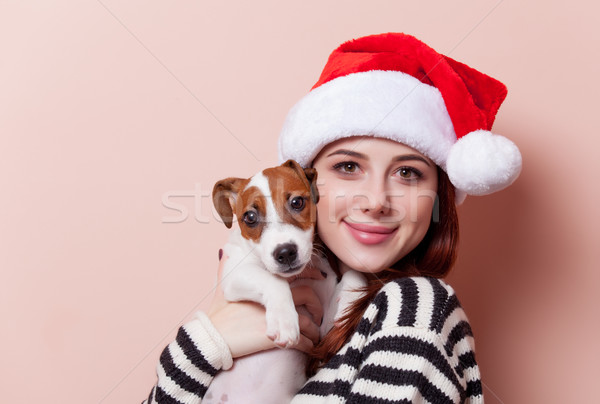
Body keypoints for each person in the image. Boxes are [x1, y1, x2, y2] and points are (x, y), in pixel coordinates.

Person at [143, 32, 522, 403]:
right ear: (312, 180)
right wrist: (205, 345)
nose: (375, 201)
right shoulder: (310, 292)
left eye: (407, 173)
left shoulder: (415, 309)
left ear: (438, 192)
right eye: (348, 166)